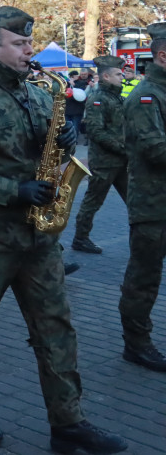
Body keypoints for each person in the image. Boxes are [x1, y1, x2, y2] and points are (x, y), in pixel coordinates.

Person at [0, 6, 126, 452]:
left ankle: (68, 422)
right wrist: (12, 189)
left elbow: (50, 151)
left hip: (38, 237)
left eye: (28, 43)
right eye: (18, 44)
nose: (28, 50)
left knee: (56, 327)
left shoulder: (40, 93)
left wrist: (63, 144)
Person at [118, 22, 166, 373]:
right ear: (162, 56)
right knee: (144, 277)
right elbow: (155, 149)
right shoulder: (145, 97)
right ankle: (136, 343)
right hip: (153, 205)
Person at [71, 55, 127, 254]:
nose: (123, 77)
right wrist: (122, 148)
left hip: (122, 161)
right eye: (118, 74)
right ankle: (80, 238)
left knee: (136, 200)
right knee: (92, 201)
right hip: (104, 162)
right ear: (105, 76)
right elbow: (95, 131)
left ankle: (149, 239)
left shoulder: (117, 97)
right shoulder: (98, 99)